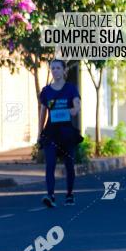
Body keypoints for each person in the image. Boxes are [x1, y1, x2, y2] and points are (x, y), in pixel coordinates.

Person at [38, 59, 82, 207]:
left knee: (69, 164)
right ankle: (50, 196)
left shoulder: (71, 89)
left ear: (64, 71)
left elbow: (76, 108)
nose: (55, 70)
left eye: (58, 68)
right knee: (50, 164)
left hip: (67, 132)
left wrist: (69, 110)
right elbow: (43, 111)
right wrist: (40, 132)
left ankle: (70, 194)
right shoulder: (46, 91)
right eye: (53, 68)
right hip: (51, 132)